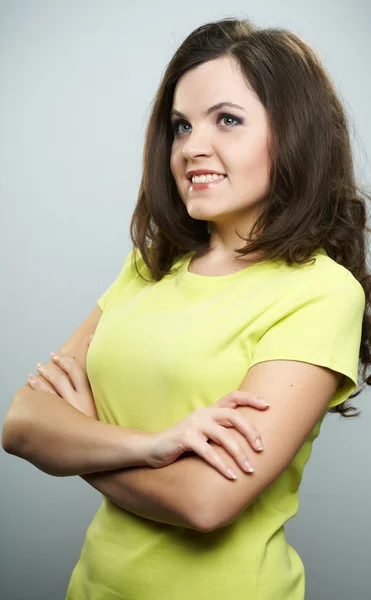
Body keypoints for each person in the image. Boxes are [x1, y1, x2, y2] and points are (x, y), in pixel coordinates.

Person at [3, 16, 371, 600]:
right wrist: (150, 446)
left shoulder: (321, 294)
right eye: (180, 126)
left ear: (295, 134)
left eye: (227, 120)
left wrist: (79, 441)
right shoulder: (148, 267)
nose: (192, 147)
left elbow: (205, 501)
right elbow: (22, 423)